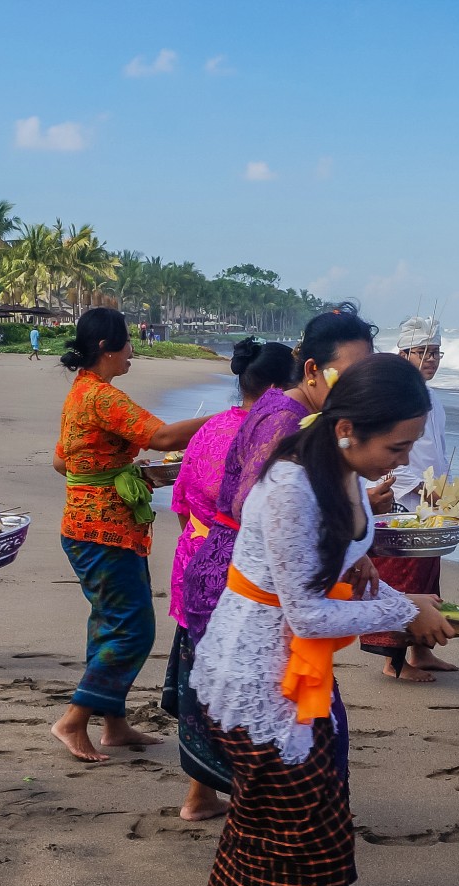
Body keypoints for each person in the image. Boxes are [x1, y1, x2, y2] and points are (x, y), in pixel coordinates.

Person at [183, 353, 451, 886]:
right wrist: (402, 613)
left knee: (260, 832)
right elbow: (304, 615)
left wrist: (358, 564)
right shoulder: (292, 485)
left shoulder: (335, 468)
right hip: (256, 683)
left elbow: (316, 562)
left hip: (291, 679)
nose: (406, 454)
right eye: (397, 444)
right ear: (349, 431)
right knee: (313, 848)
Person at [176, 306, 376, 797]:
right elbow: (255, 507)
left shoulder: (292, 408)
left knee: (263, 730)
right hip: (241, 585)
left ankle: (217, 803)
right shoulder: (287, 421)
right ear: (311, 369)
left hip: (235, 575)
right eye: (348, 376)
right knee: (292, 733)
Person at [49, 307, 214, 763]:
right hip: (103, 531)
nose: (132, 352)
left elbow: (63, 462)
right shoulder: (101, 396)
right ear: (106, 348)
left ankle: (114, 724)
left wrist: (116, 470)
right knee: (133, 629)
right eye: (127, 344)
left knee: (109, 623)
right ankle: (73, 720)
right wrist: (224, 421)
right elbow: (161, 437)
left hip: (91, 527)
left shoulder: (81, 392)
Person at [161, 337, 296, 821]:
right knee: (245, 683)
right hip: (242, 577)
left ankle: (198, 793)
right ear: (284, 387)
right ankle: (239, 793)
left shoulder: (211, 428)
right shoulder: (278, 437)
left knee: (202, 677)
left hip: (195, 563)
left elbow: (180, 504)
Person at [359, 316, 456, 682]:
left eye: (436, 353)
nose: (431, 359)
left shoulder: (433, 398)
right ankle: (393, 661)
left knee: (428, 573)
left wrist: (447, 490)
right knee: (403, 575)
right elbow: (388, 455)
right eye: (423, 352)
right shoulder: (394, 393)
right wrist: (419, 488)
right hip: (404, 498)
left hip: (432, 498)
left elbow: (436, 451)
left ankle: (421, 651)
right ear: (403, 353)